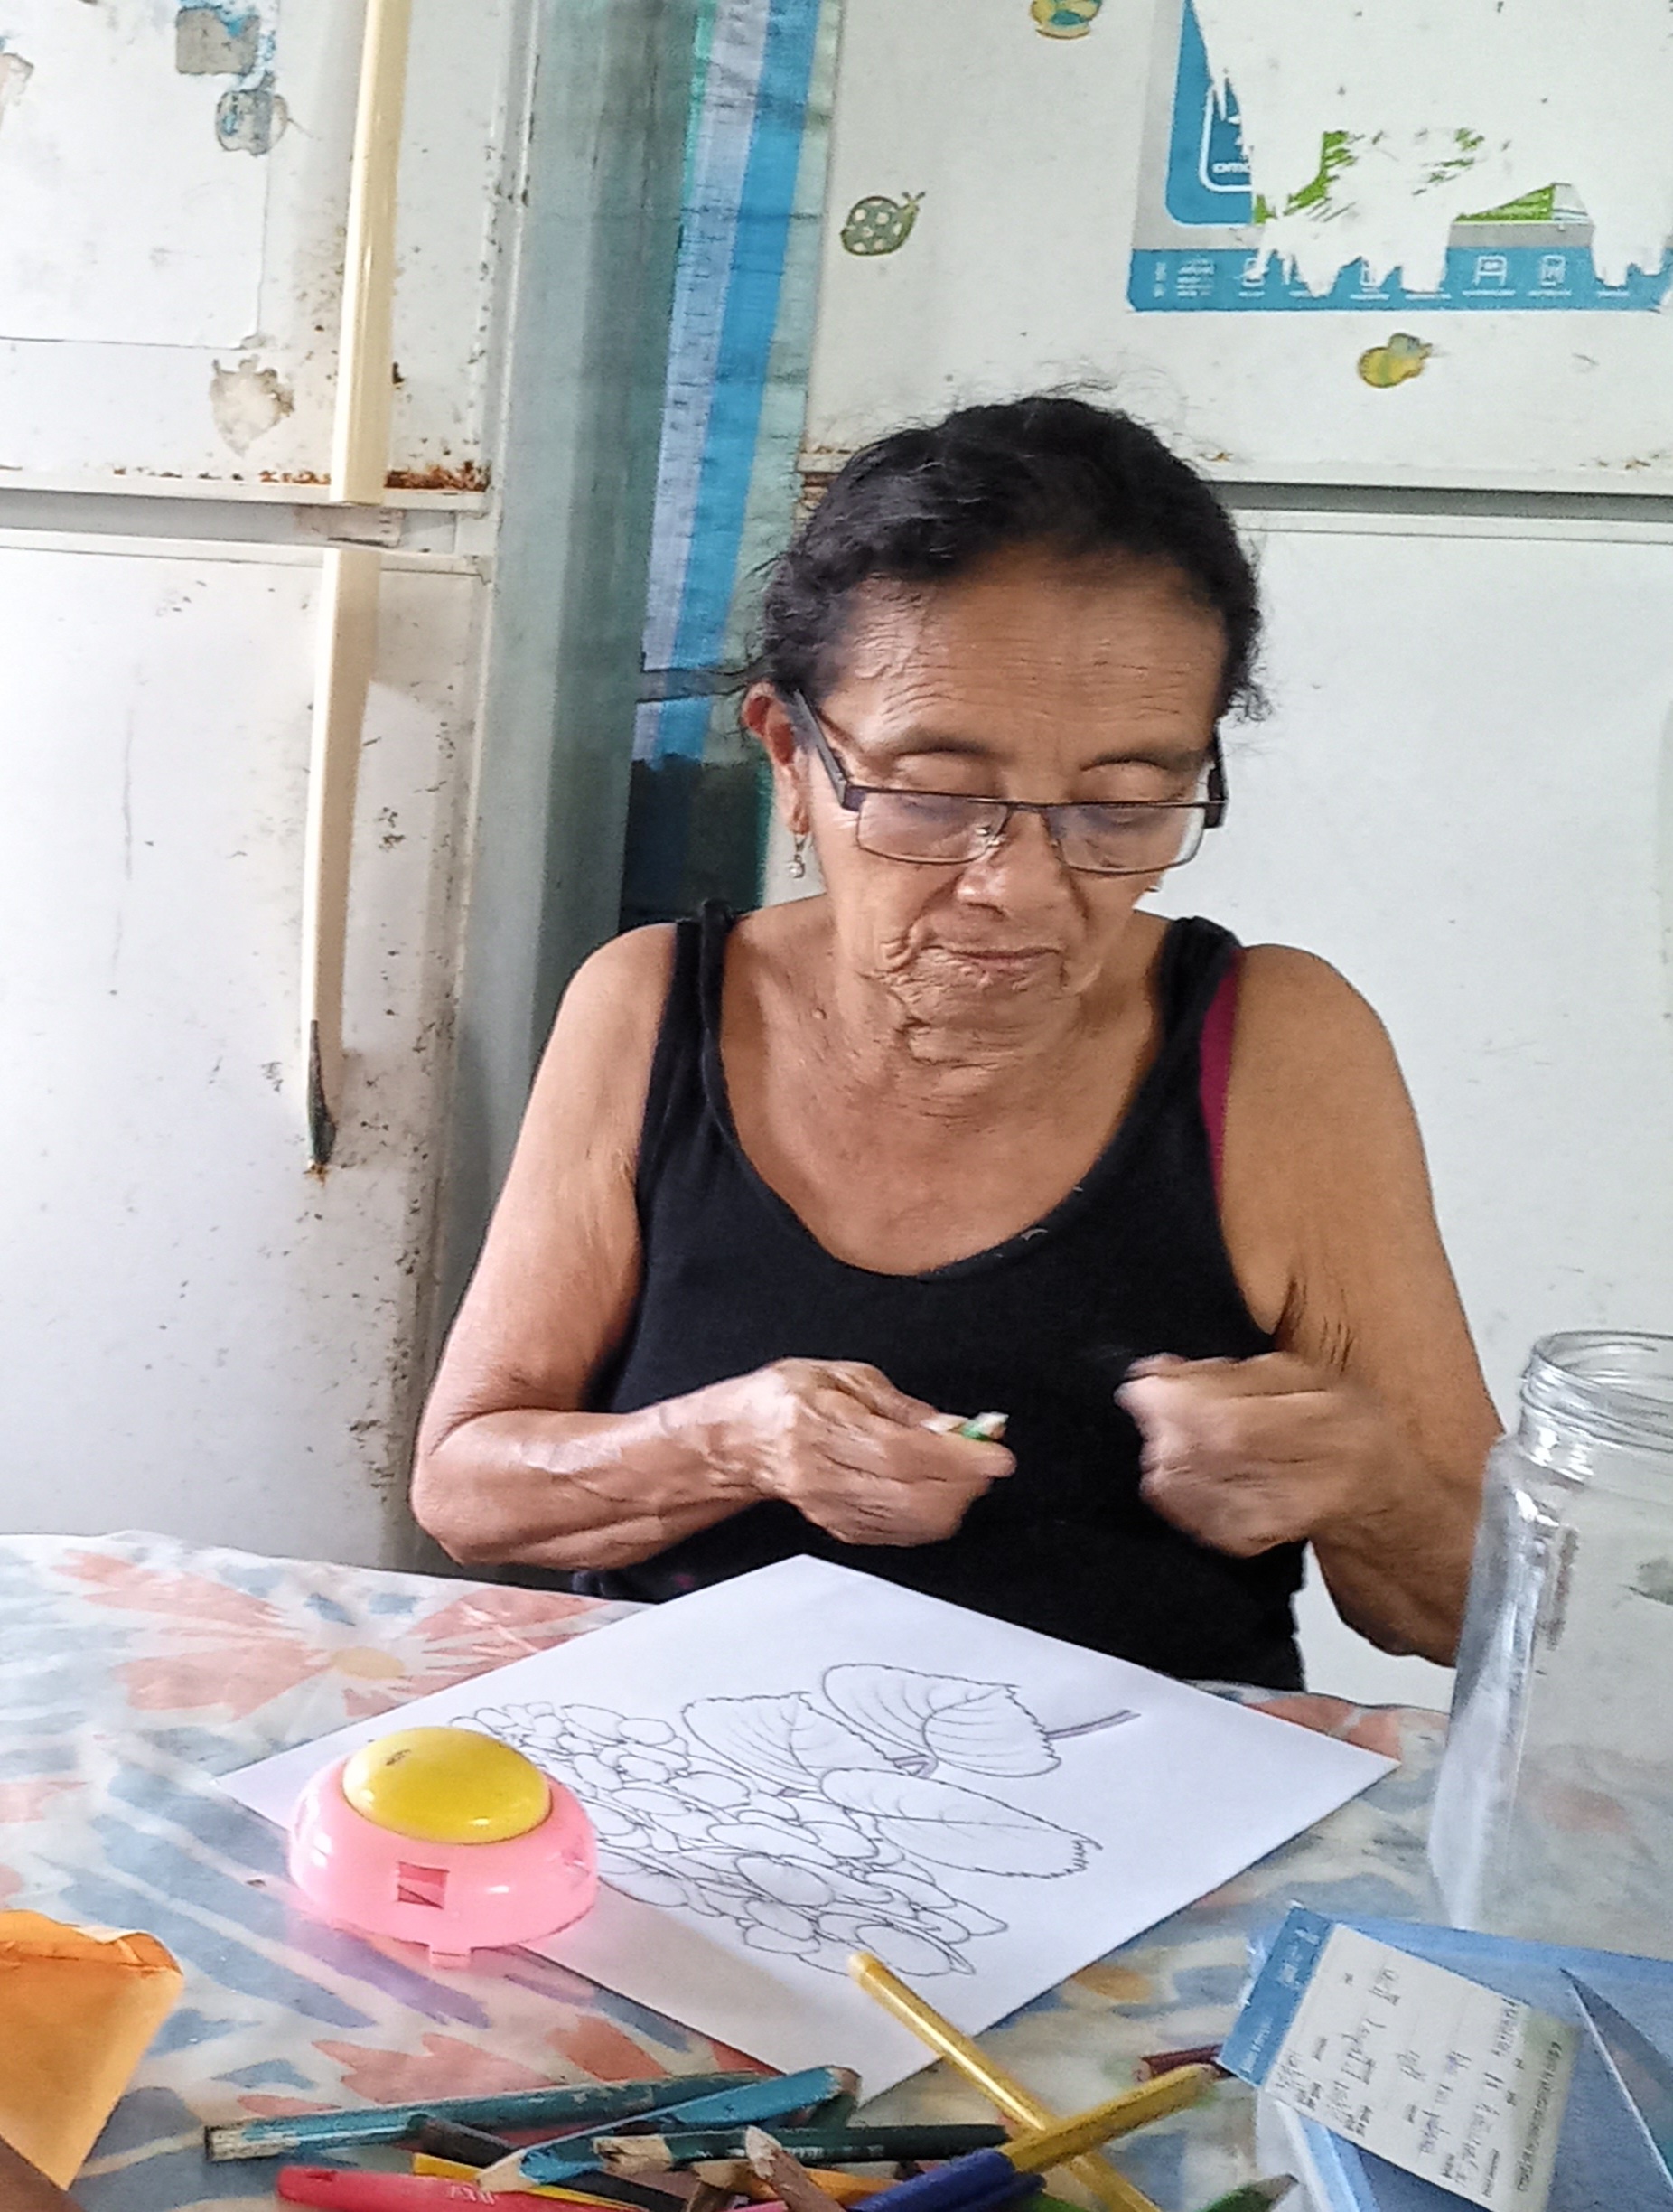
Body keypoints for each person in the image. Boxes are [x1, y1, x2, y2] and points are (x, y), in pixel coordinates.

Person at [412, 395, 1500, 1690]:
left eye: (1123, 809)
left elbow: (1467, 1612)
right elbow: (468, 1493)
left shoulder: (1276, 1045)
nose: (1019, 887)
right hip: (689, 1757)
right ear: (790, 757)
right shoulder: (650, 1006)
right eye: (931, 797)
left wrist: (1368, 1487)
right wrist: (729, 1443)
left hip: (1143, 1790)